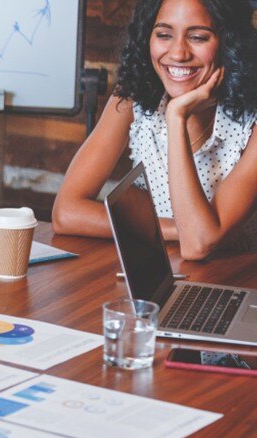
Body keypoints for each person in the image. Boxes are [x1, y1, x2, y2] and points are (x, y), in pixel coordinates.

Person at [52, 0, 257, 260]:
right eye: (163, 35)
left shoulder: (252, 123)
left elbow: (197, 244)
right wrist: (172, 230)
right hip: (161, 271)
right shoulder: (132, 98)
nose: (178, 53)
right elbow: (66, 213)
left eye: (197, 37)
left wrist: (176, 116)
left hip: (234, 281)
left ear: (230, 43)